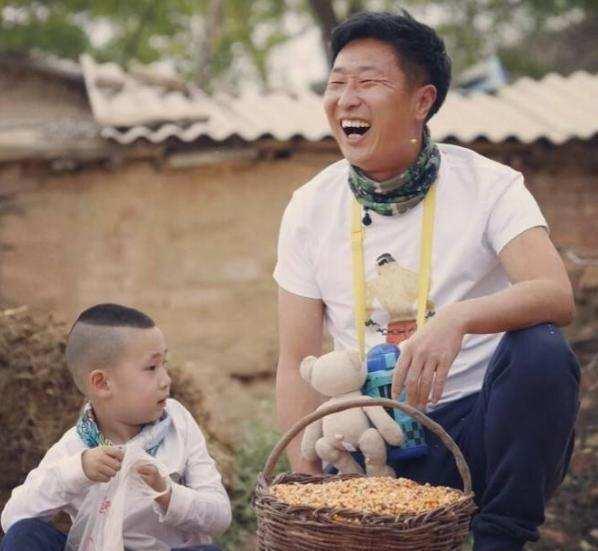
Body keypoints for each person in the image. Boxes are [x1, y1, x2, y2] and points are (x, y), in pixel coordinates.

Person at [273, 10, 580, 551]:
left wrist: (458, 319)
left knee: (542, 349)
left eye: (368, 82)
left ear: (422, 101)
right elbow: (296, 357)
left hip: (480, 428)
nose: (346, 99)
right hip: (371, 437)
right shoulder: (309, 206)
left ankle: (500, 537)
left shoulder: (490, 186)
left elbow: (555, 294)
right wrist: (307, 489)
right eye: (337, 83)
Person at [1, 303, 231, 551]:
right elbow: (12, 517)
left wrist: (167, 494)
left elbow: (220, 515)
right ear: (102, 383)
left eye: (164, 363)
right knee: (24, 535)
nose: (166, 380)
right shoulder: (75, 448)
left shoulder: (178, 424)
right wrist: (78, 472)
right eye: (151, 368)